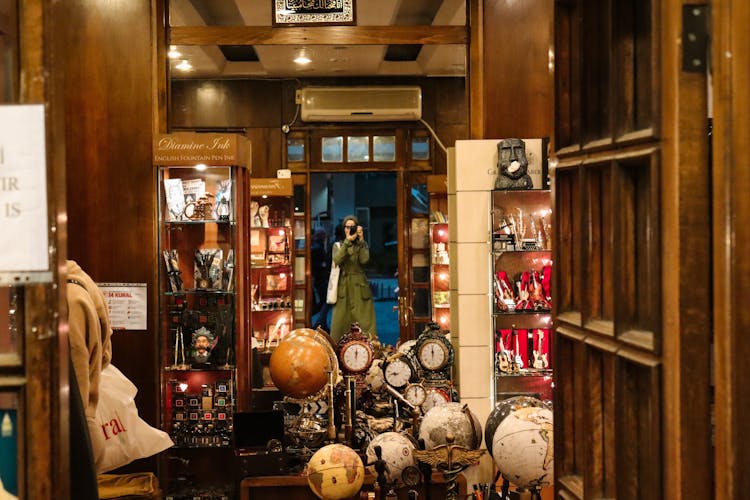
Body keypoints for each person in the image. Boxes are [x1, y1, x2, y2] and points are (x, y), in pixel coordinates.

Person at [66, 259, 113, 499]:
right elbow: (105, 357)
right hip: (82, 428)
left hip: (75, 432)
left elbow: (74, 382)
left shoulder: (68, 298)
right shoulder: (80, 283)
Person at [330, 216, 377, 342]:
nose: (350, 229)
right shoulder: (338, 245)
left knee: (365, 323)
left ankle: (369, 350)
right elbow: (337, 260)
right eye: (347, 227)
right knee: (340, 323)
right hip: (343, 288)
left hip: (360, 288)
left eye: (352, 227)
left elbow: (364, 260)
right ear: (343, 229)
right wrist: (347, 242)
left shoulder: (361, 245)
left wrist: (361, 241)